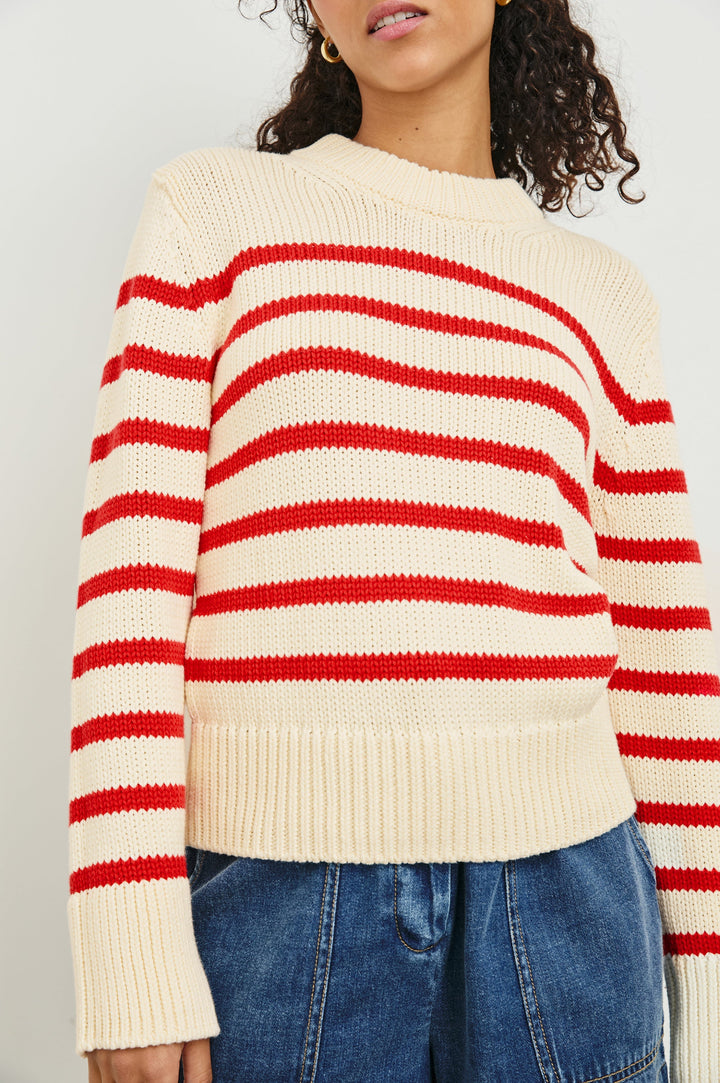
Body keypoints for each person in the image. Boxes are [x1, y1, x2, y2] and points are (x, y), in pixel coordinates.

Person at [67, 0, 720, 1079]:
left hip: (573, 910)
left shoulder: (603, 297)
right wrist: (129, 957)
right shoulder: (215, 214)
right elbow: (130, 598)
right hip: (282, 912)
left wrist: (707, 1000)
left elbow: (666, 661)